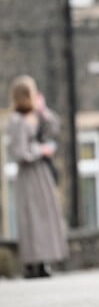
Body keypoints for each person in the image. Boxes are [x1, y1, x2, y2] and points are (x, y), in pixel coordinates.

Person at [7, 75, 68, 279]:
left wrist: (44, 111)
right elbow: (20, 151)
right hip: (29, 174)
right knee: (31, 218)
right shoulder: (16, 120)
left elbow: (54, 128)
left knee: (47, 216)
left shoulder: (36, 115)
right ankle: (31, 263)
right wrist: (41, 150)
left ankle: (44, 261)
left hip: (42, 172)